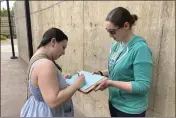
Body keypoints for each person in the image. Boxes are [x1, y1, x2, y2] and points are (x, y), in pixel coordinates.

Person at [93, 7, 153, 117]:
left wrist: (110, 83)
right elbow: (117, 68)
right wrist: (101, 73)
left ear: (126, 26)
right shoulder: (117, 45)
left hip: (130, 109)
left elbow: (143, 85)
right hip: (114, 102)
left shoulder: (140, 49)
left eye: (112, 32)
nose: (110, 36)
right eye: (108, 32)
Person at [20, 27, 85, 117]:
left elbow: (43, 84)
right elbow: (53, 101)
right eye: (63, 47)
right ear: (53, 42)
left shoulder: (37, 57)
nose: (63, 52)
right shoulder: (45, 64)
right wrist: (76, 85)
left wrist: (60, 80)